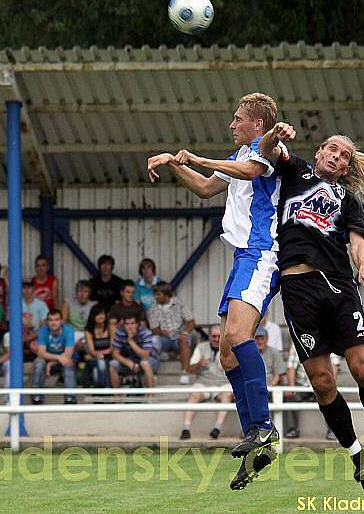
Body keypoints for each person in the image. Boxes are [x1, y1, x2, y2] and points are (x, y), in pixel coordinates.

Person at [259, 125, 364, 501]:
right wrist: (275, 132)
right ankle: (357, 458)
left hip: (338, 285)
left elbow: (358, 243)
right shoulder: (296, 171)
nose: (336, 156)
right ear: (318, 153)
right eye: (332, 149)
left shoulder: (347, 200)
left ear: (346, 168)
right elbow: (269, 149)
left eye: (344, 155)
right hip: (298, 289)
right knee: (321, 382)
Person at [148, 93, 282, 489]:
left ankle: (263, 427)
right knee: (226, 354)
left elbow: (249, 172)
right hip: (242, 257)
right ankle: (258, 443)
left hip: (262, 252)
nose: (231, 123)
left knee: (240, 337)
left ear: (257, 124)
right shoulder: (240, 152)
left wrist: (198, 157)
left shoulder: (269, 149)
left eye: (238, 118)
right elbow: (207, 189)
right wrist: (176, 163)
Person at [180, 325, 233, 440]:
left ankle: (217, 428)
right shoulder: (201, 347)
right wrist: (199, 364)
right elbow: (189, 370)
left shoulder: (229, 348)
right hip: (204, 382)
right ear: (209, 337)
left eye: (219, 336)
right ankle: (186, 428)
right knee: (194, 393)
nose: (216, 339)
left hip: (223, 382)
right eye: (214, 336)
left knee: (227, 394)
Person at [147, 281, 196, 384]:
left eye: (158, 294)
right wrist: (161, 332)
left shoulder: (179, 304)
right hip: (164, 338)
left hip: (179, 337)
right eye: (155, 294)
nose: (156, 297)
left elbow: (191, 321)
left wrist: (185, 332)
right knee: (153, 340)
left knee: (185, 338)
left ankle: (184, 373)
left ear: (166, 294)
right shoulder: (153, 309)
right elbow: (154, 329)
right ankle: (153, 372)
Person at [31, 309, 77, 405]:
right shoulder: (43, 331)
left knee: (67, 363)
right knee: (39, 363)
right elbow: (41, 353)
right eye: (51, 320)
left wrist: (52, 363)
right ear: (47, 322)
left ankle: (70, 397)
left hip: (61, 359)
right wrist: (58, 358)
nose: (53, 323)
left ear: (61, 321)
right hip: (49, 359)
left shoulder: (68, 331)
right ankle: (37, 396)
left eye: (56, 320)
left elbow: (68, 354)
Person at [110, 316, 159, 389]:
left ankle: (150, 395)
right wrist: (129, 363)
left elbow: (145, 356)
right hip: (130, 359)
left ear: (137, 324)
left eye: (132, 323)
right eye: (127, 324)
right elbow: (115, 353)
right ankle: (117, 397)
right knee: (113, 364)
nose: (130, 326)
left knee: (144, 363)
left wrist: (130, 341)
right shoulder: (120, 332)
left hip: (150, 360)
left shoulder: (145, 332)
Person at [83, 305, 112, 388]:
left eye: (102, 314)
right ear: (93, 316)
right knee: (101, 363)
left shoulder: (110, 327)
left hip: (109, 357)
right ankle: (105, 390)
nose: (100, 316)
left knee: (98, 370)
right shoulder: (88, 330)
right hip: (94, 358)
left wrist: (102, 353)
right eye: (97, 314)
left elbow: (112, 347)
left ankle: (100, 392)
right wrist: (99, 355)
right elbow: (91, 351)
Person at [20, 281, 49, 360]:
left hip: (35, 335)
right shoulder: (17, 303)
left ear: (33, 289)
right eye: (24, 288)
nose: (26, 290)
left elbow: (44, 327)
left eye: (29, 288)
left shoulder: (41, 304)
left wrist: (30, 337)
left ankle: (41, 360)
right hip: (20, 336)